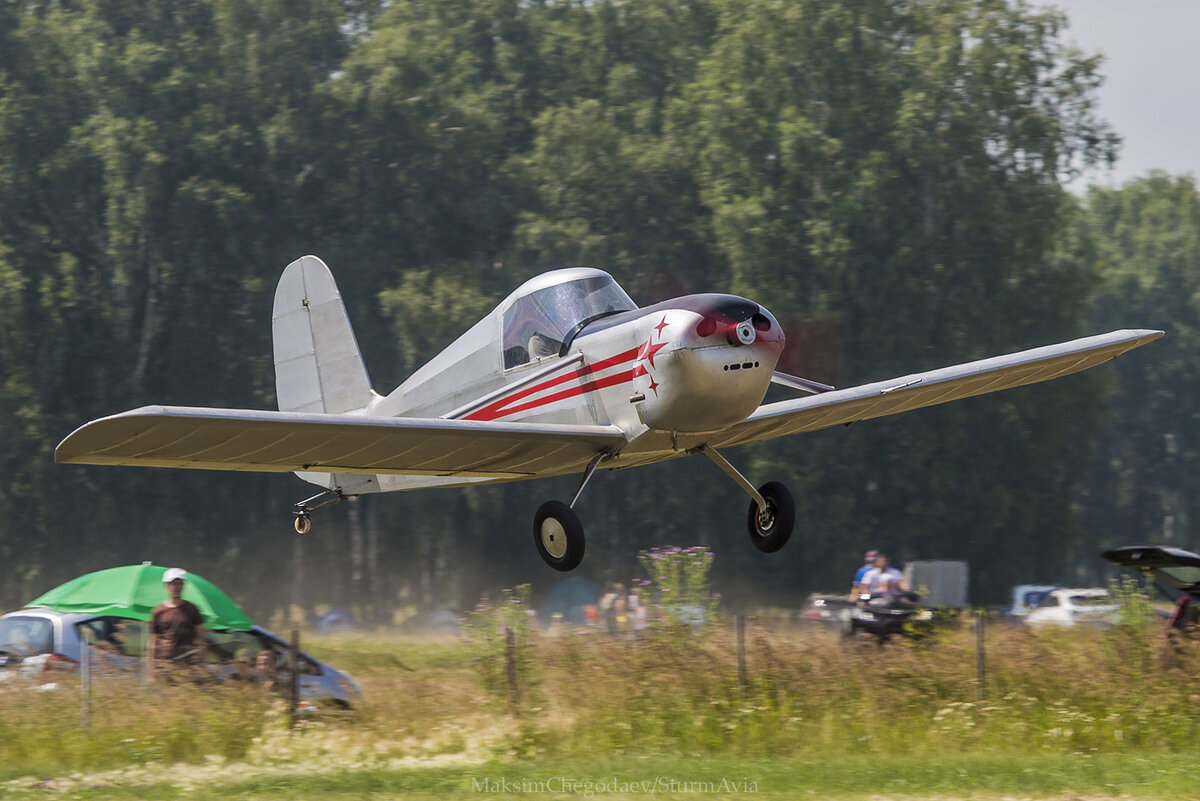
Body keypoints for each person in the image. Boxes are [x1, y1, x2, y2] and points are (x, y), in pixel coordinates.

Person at [149, 567, 207, 680]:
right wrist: (151, 671)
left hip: (187, 665)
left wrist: (203, 665)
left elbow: (201, 640)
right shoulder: (158, 612)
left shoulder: (192, 609)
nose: (176, 587)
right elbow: (152, 643)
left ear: (183, 586)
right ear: (167, 587)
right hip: (164, 664)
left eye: (179, 584)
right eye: (173, 584)